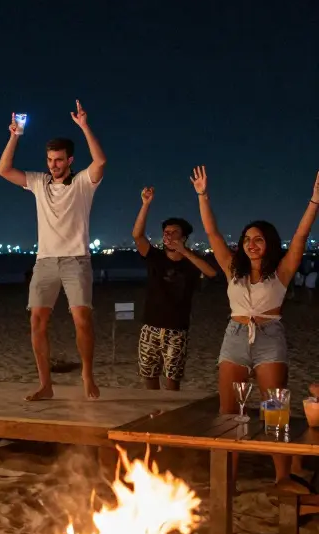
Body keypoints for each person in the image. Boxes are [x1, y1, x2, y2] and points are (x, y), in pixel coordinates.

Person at [191, 166, 319, 492]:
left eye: (258, 239)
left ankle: (282, 477)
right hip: (233, 338)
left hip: (270, 338)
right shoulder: (232, 271)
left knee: (275, 409)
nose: (251, 244)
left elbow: (302, 236)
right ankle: (227, 481)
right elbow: (213, 234)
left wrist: (314, 201)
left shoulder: (282, 272)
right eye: (247, 239)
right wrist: (203, 195)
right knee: (229, 414)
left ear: (269, 243)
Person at [0, 101, 108, 400]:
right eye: (49, 159)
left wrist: (84, 125)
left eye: (58, 160)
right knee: (36, 321)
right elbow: (3, 169)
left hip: (76, 259)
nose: (53, 165)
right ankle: (45, 384)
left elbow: (100, 162)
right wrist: (14, 136)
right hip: (44, 261)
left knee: (82, 319)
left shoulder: (83, 183)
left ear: (69, 160)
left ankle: (87, 374)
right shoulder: (38, 182)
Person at [130, 187, 217, 390]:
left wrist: (184, 252)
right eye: (166, 233)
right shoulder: (155, 256)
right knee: (149, 377)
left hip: (177, 329)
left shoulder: (191, 262)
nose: (168, 236)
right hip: (150, 326)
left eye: (173, 233)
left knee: (172, 382)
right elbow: (137, 235)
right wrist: (145, 204)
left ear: (184, 237)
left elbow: (212, 273)